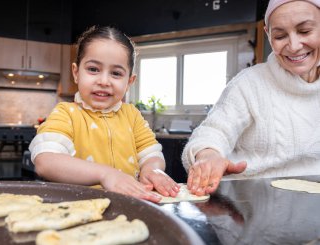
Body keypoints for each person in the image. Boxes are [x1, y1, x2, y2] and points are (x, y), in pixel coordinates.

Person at [182, 0, 320, 196]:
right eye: (280, 35)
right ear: (268, 36)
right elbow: (213, 132)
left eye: (305, 31)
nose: (294, 46)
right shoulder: (249, 83)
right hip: (252, 208)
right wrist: (209, 155)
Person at [29, 26, 179, 202]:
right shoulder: (65, 114)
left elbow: (152, 155)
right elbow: (46, 161)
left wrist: (152, 169)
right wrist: (105, 174)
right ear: (76, 73)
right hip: (77, 210)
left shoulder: (132, 116)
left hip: (130, 208)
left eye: (116, 73)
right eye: (93, 69)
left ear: (129, 81)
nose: (103, 81)